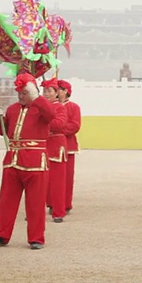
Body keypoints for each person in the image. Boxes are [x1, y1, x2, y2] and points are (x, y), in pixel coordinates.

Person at [0, 73, 54, 250]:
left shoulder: (41, 108)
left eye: (25, 92)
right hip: (13, 160)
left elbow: (51, 114)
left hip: (35, 161)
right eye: (19, 92)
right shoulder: (12, 109)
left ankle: (36, 237)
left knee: (35, 203)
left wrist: (36, 97)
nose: (21, 95)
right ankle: (1, 235)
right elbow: (4, 132)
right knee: (6, 202)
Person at [41, 78, 68, 223]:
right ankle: (37, 210)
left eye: (49, 91)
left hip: (56, 145)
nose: (45, 94)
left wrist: (43, 121)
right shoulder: (39, 106)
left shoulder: (60, 107)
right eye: (44, 91)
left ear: (56, 94)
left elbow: (59, 124)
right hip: (43, 145)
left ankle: (58, 212)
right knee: (40, 182)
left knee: (57, 182)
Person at [58, 80, 81, 214]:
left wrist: (58, 131)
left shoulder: (74, 107)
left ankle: (65, 204)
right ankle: (51, 202)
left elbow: (75, 125)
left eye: (58, 89)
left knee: (66, 177)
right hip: (51, 145)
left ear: (65, 91)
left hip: (68, 145)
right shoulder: (51, 106)